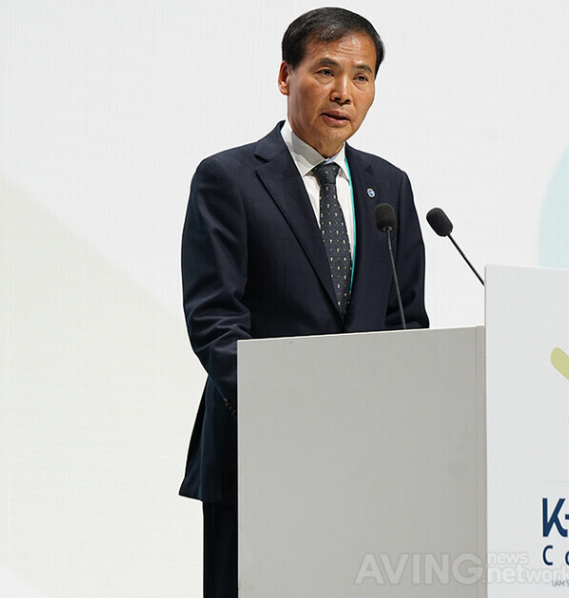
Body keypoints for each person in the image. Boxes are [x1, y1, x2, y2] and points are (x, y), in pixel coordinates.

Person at [178, 8, 429, 597]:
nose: (344, 92)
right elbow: (215, 322)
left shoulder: (390, 187)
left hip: (364, 465)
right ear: (285, 76)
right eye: (326, 71)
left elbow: (406, 321)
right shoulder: (229, 178)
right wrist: (300, 411)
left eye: (362, 77)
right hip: (258, 454)